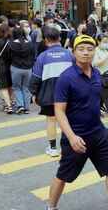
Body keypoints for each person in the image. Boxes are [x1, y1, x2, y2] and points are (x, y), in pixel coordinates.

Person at [46, 35, 108, 210]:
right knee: (63, 175)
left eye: (90, 49)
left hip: (99, 134)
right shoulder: (66, 78)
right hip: (76, 138)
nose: (86, 53)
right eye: (81, 49)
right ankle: (51, 207)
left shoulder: (95, 73)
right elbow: (59, 111)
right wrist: (71, 137)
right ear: (73, 52)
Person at [30, 26, 74, 158]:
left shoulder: (42, 57)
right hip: (68, 94)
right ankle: (70, 144)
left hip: (49, 94)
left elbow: (36, 77)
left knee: (51, 120)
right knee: (68, 119)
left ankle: (53, 148)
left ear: (45, 40)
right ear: (59, 38)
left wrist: (33, 93)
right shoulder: (69, 54)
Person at [9, 27, 35, 114]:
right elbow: (33, 56)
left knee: (16, 88)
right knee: (26, 88)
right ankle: (27, 107)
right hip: (28, 69)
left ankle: (20, 106)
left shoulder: (11, 44)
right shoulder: (30, 44)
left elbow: (9, 57)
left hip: (16, 68)